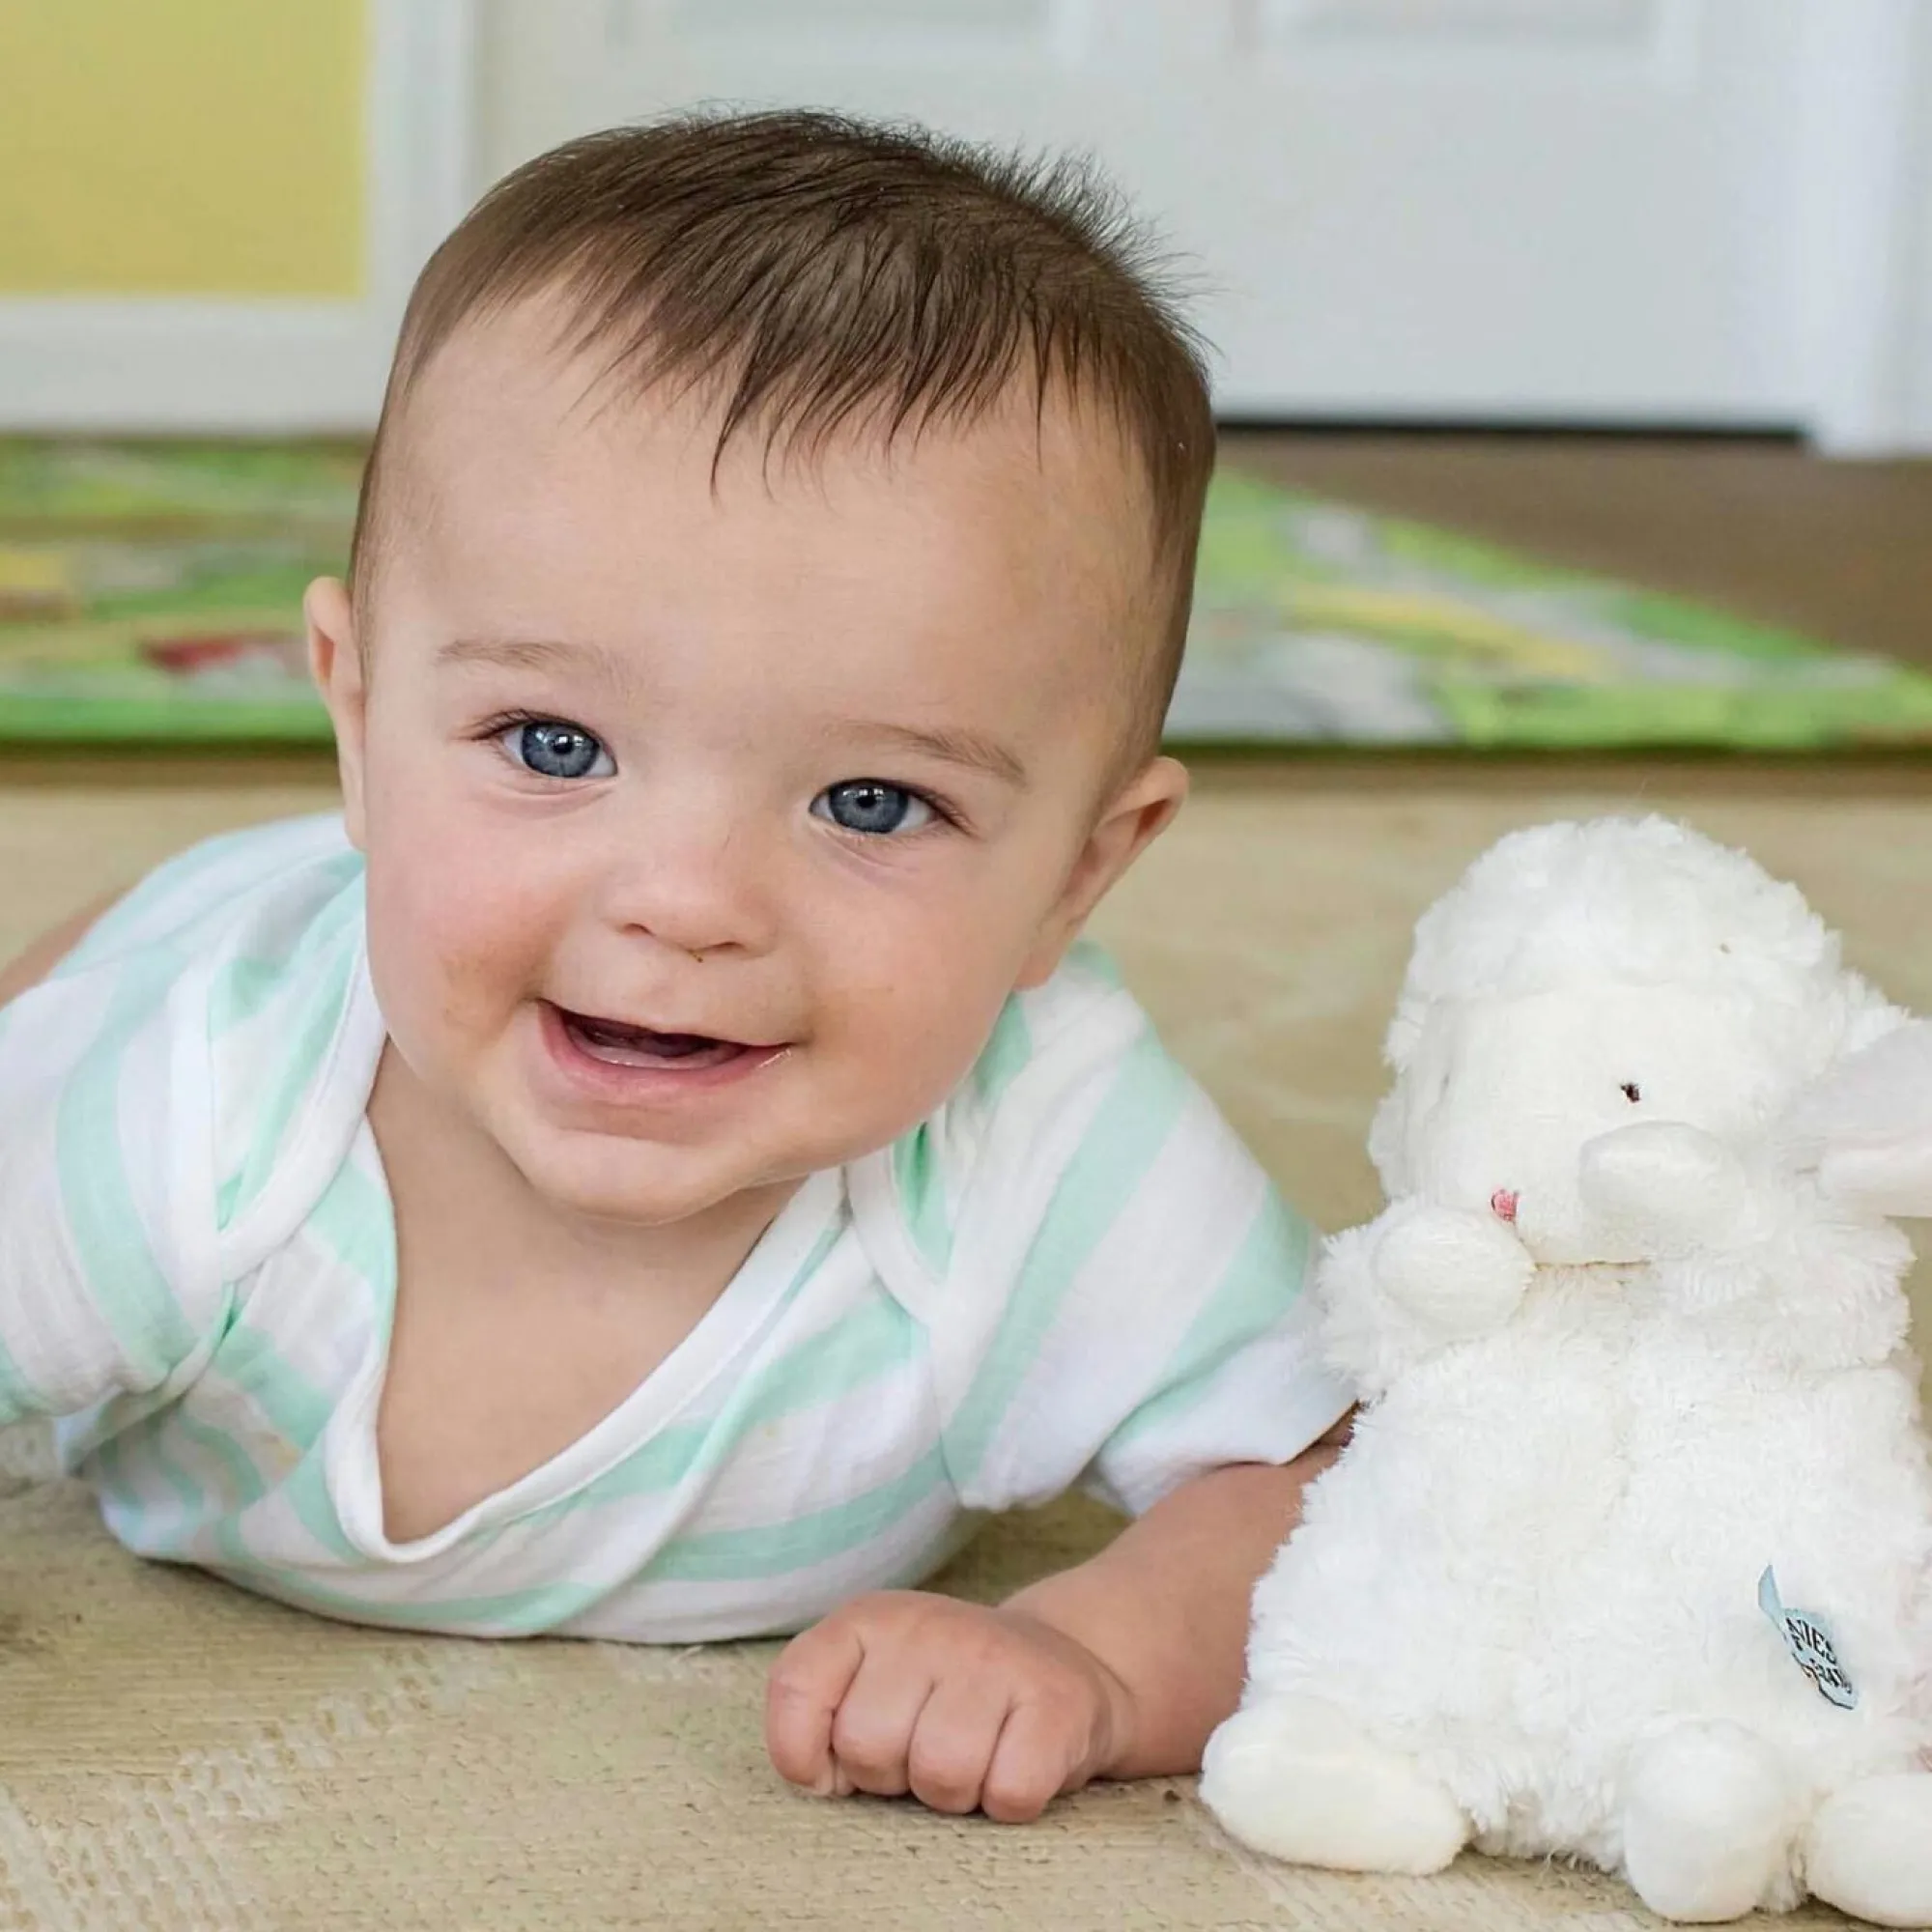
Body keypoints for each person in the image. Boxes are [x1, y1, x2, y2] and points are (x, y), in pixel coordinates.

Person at [0, 110, 1350, 1824]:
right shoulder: (186, 1102)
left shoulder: (1041, 1147)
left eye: (875, 801)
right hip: (198, 950)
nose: (689, 902)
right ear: (355, 720)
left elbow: (1341, 1486)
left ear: (1079, 871)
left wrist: (1096, 1652)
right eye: (553, 744)